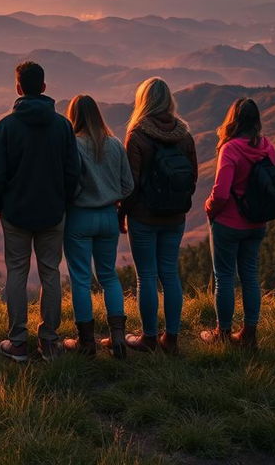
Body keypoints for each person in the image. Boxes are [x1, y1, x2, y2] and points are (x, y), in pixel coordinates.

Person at [0, 61, 81, 361]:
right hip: (53, 212)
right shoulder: (62, 126)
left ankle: (17, 342)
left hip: (15, 213)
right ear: (43, 87)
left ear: (18, 88)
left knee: (17, 272)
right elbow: (73, 172)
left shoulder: (7, 126)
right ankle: (50, 342)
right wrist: (63, 201)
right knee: (50, 272)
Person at [120, 77, 197, 355]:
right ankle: (172, 339)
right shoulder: (184, 135)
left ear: (143, 100)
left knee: (147, 277)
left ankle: (149, 338)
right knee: (170, 274)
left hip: (144, 216)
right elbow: (192, 178)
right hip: (175, 217)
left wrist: (122, 215)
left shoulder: (138, 134)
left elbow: (131, 183)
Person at [200, 98, 275, 349]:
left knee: (224, 277)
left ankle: (222, 333)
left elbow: (221, 193)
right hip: (256, 223)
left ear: (232, 119)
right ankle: (249, 334)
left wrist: (209, 208)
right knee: (250, 277)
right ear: (257, 120)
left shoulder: (231, 149)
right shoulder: (268, 147)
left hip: (228, 224)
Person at [63, 94, 133, 358]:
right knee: (109, 276)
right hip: (108, 217)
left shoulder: (74, 145)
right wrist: (112, 197)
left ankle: (87, 342)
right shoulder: (114, 144)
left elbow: (70, 184)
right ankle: (117, 339)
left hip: (79, 216)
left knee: (81, 279)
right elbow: (128, 186)